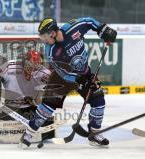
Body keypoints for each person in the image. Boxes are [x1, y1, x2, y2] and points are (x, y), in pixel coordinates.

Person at [20, 17, 117, 147]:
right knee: (47, 106)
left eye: (44, 36)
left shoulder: (73, 28)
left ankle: (94, 134)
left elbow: (88, 21)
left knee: (98, 100)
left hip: (84, 72)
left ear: (53, 33)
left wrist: (102, 30)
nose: (43, 40)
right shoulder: (51, 51)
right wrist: (79, 80)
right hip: (62, 77)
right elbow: (63, 73)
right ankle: (29, 133)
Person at [0, 50, 54, 141]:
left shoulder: (45, 73)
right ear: (24, 61)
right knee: (7, 125)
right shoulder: (10, 66)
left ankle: (38, 134)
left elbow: (53, 90)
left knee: (49, 123)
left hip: (30, 107)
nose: (34, 67)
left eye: (37, 65)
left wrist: (36, 101)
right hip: (11, 108)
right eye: (31, 64)